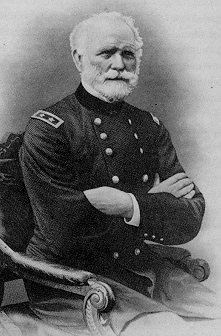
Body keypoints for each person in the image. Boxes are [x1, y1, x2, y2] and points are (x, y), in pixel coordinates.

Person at [19, 11, 220, 336]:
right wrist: (153, 203)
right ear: (79, 58)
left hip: (141, 260)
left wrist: (129, 204)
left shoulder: (149, 126)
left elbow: (191, 216)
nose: (119, 64)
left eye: (128, 54)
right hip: (71, 280)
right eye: (106, 52)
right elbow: (63, 227)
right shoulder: (48, 129)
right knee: (165, 328)